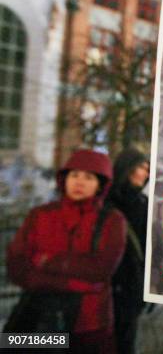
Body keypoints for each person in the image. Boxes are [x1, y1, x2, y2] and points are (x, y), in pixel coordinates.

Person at [6, 149, 127, 353]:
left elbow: (102, 269)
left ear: (100, 184)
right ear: (64, 178)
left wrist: (46, 261)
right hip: (36, 320)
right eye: (74, 175)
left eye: (88, 177)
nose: (79, 182)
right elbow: (16, 265)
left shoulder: (113, 220)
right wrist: (75, 283)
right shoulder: (40, 215)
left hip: (88, 326)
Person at [106, 148, 150, 354]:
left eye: (147, 169)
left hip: (131, 289)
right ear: (128, 169)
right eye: (142, 167)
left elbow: (149, 248)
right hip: (104, 286)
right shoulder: (104, 202)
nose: (145, 173)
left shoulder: (145, 205)